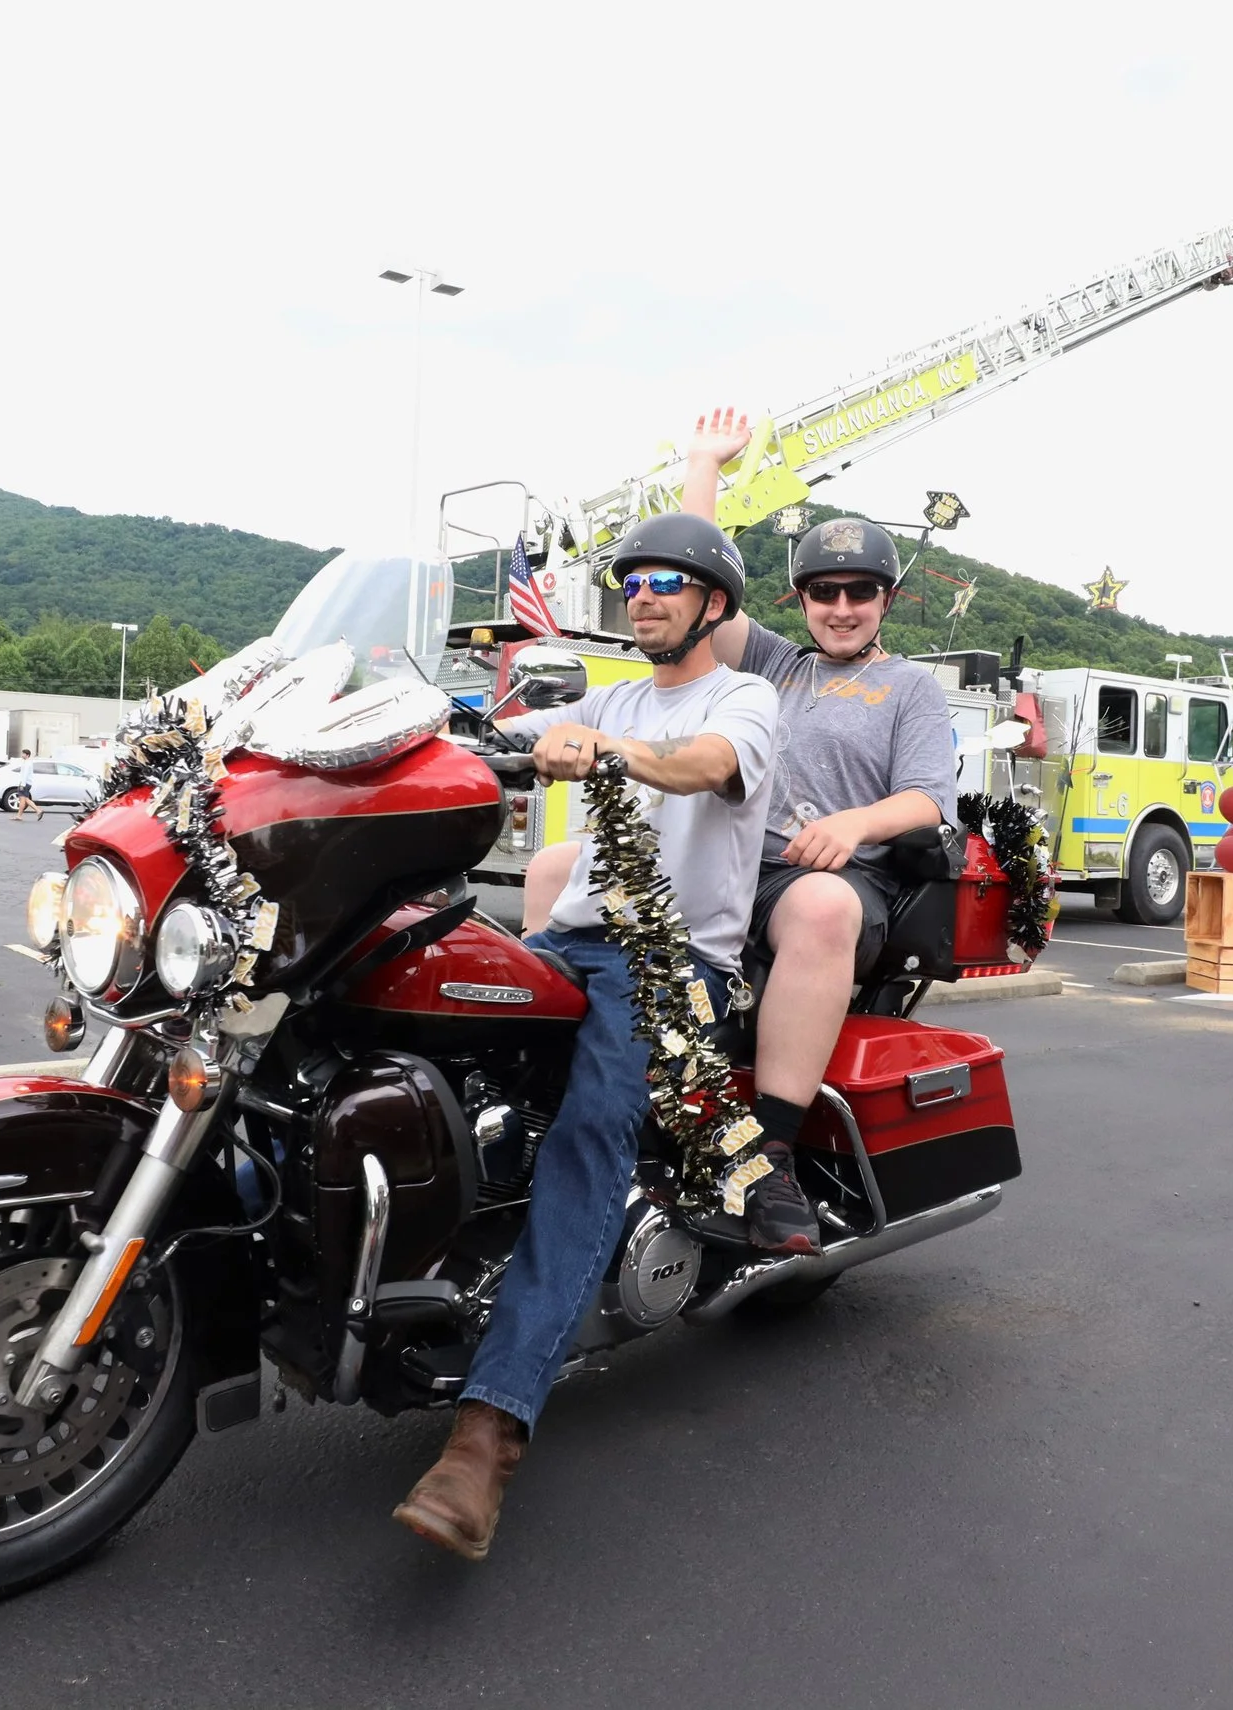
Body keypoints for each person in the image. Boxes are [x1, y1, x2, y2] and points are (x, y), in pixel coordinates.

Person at [394, 512, 780, 1563]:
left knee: (590, 1135)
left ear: (713, 602)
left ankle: (488, 1435)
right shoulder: (603, 692)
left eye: (667, 579)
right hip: (569, 942)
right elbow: (502, 739)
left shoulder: (740, 701)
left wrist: (609, 750)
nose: (644, 593)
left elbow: (702, 766)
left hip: (670, 963)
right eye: (634, 580)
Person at [523, 408, 956, 1220]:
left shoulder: (912, 688)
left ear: (885, 601)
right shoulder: (774, 663)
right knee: (554, 866)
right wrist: (704, 464)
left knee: (822, 908)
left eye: (860, 592)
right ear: (801, 599)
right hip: (733, 860)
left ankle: (772, 1150)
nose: (841, 607)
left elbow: (930, 795)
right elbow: (698, 577)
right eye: (824, 592)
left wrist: (857, 824)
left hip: (831, 874)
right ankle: (547, 1080)